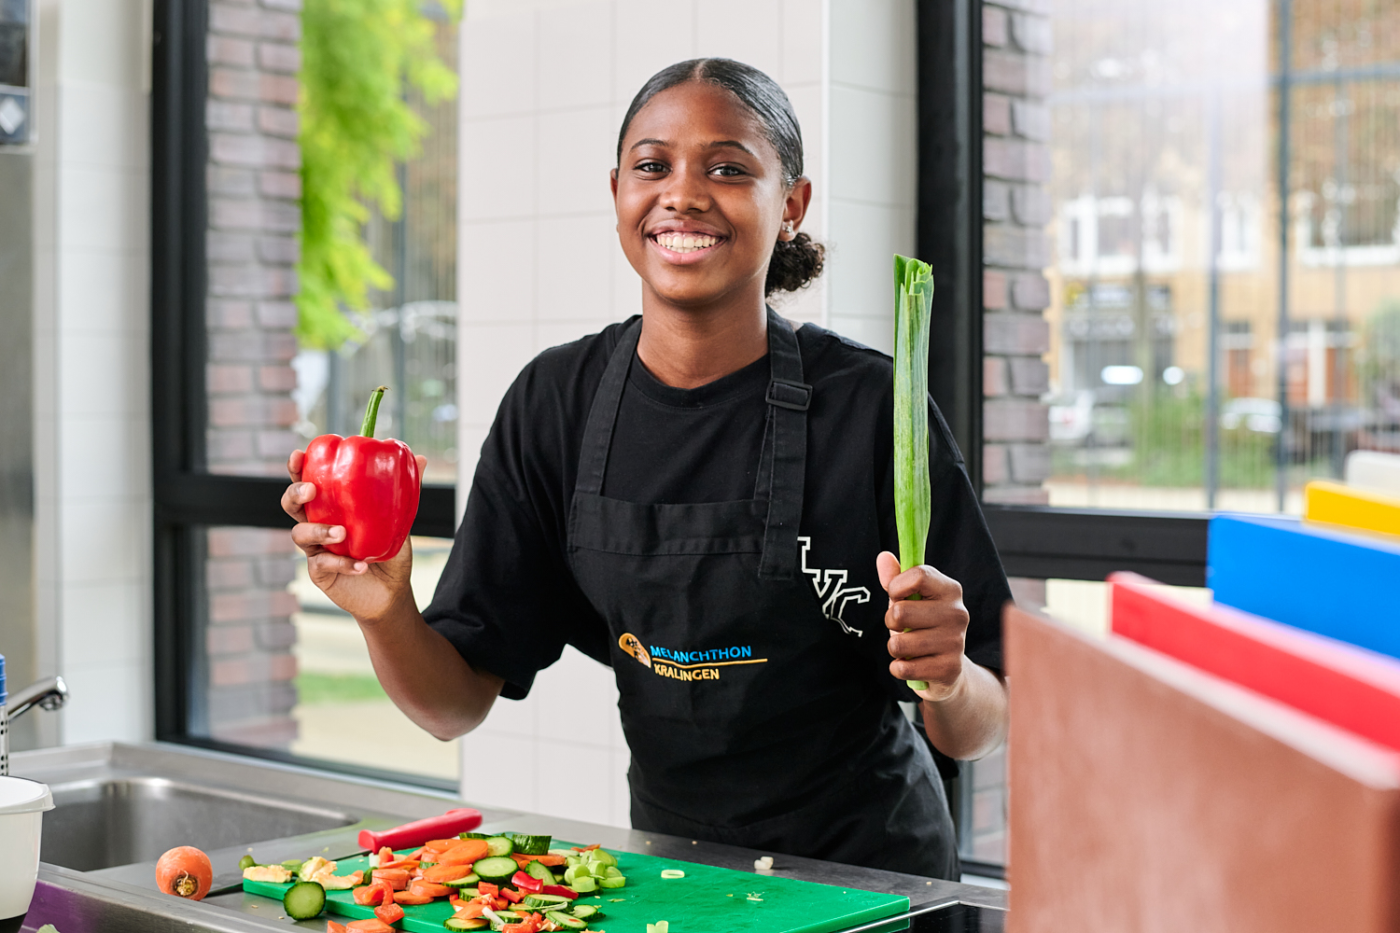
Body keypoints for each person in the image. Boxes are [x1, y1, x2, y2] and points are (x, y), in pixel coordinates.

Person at [282, 58, 1011, 880]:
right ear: (619, 193)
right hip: (675, 875)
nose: (685, 193)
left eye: (729, 168)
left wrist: (948, 678)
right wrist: (385, 611)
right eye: (652, 165)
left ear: (792, 205)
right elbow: (453, 703)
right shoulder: (556, 402)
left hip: (870, 877)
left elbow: (987, 720)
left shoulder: (873, 406)